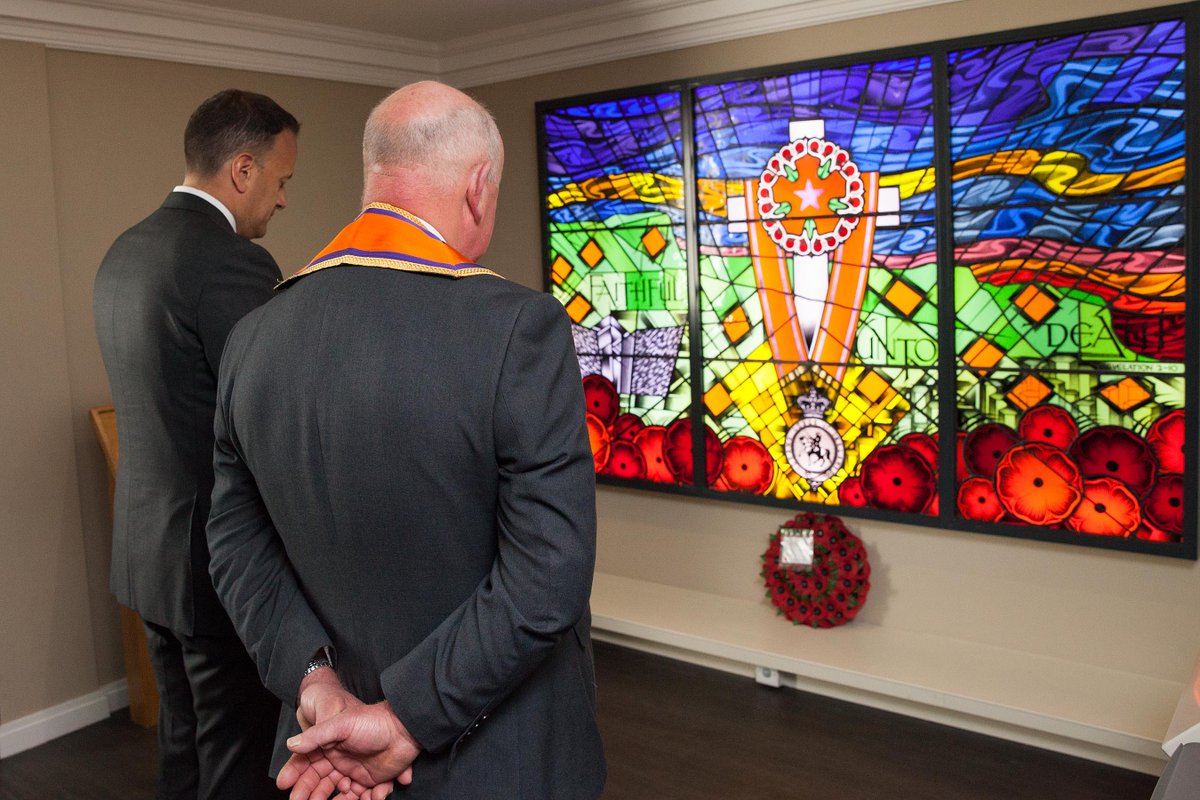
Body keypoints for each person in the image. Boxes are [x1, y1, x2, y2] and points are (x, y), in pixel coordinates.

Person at [205, 81, 606, 800]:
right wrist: (403, 719)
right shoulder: (519, 329)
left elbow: (235, 543)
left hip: (320, 756)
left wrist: (314, 680)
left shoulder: (253, 336)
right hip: (498, 761)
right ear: (479, 187)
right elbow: (548, 572)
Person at [93, 88, 299, 800]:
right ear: (242, 170)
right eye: (280, 182)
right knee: (237, 760)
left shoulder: (126, 250)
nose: (281, 202)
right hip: (215, 572)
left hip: (146, 556)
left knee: (183, 746)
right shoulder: (233, 265)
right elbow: (268, 422)